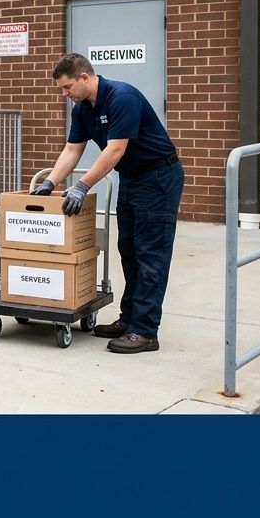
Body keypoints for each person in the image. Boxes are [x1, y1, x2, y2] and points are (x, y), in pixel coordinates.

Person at [32, 52, 183, 354]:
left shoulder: (121, 97)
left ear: (85, 78)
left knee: (150, 253)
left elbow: (115, 150)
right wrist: (50, 182)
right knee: (128, 249)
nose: (65, 94)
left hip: (158, 178)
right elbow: (72, 150)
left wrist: (83, 185)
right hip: (132, 179)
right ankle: (130, 319)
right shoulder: (82, 109)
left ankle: (145, 331)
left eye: (67, 87)